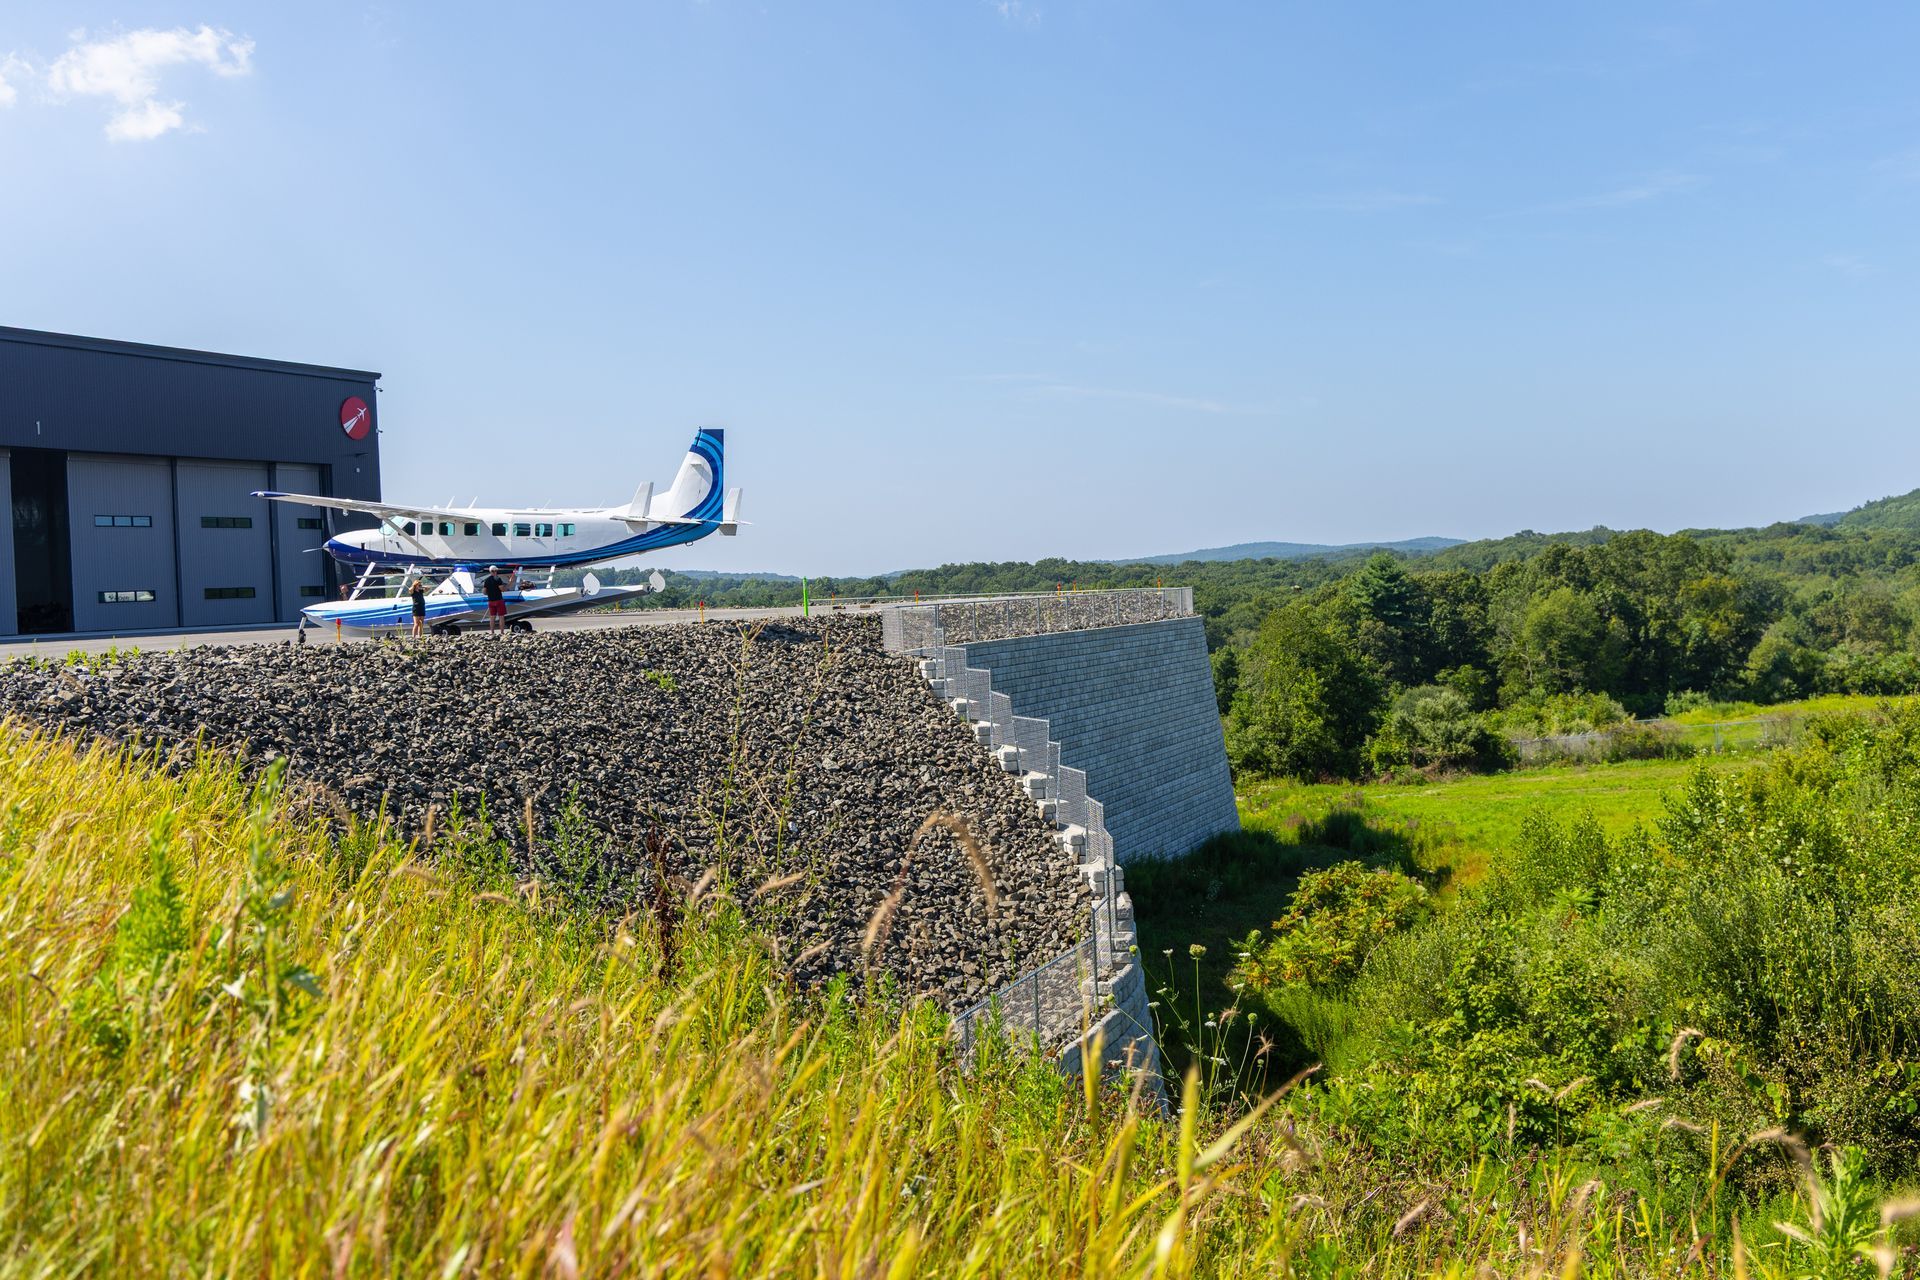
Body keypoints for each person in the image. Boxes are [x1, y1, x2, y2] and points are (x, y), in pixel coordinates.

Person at [482, 565, 508, 634]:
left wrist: (490, 593)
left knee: (492, 617)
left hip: (491, 601)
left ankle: (492, 632)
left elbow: (484, 592)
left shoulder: (487, 580)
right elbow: (502, 589)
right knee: (501, 617)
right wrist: (507, 586)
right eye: (495, 571)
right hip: (499, 600)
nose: (495, 572)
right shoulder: (498, 579)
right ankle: (502, 632)